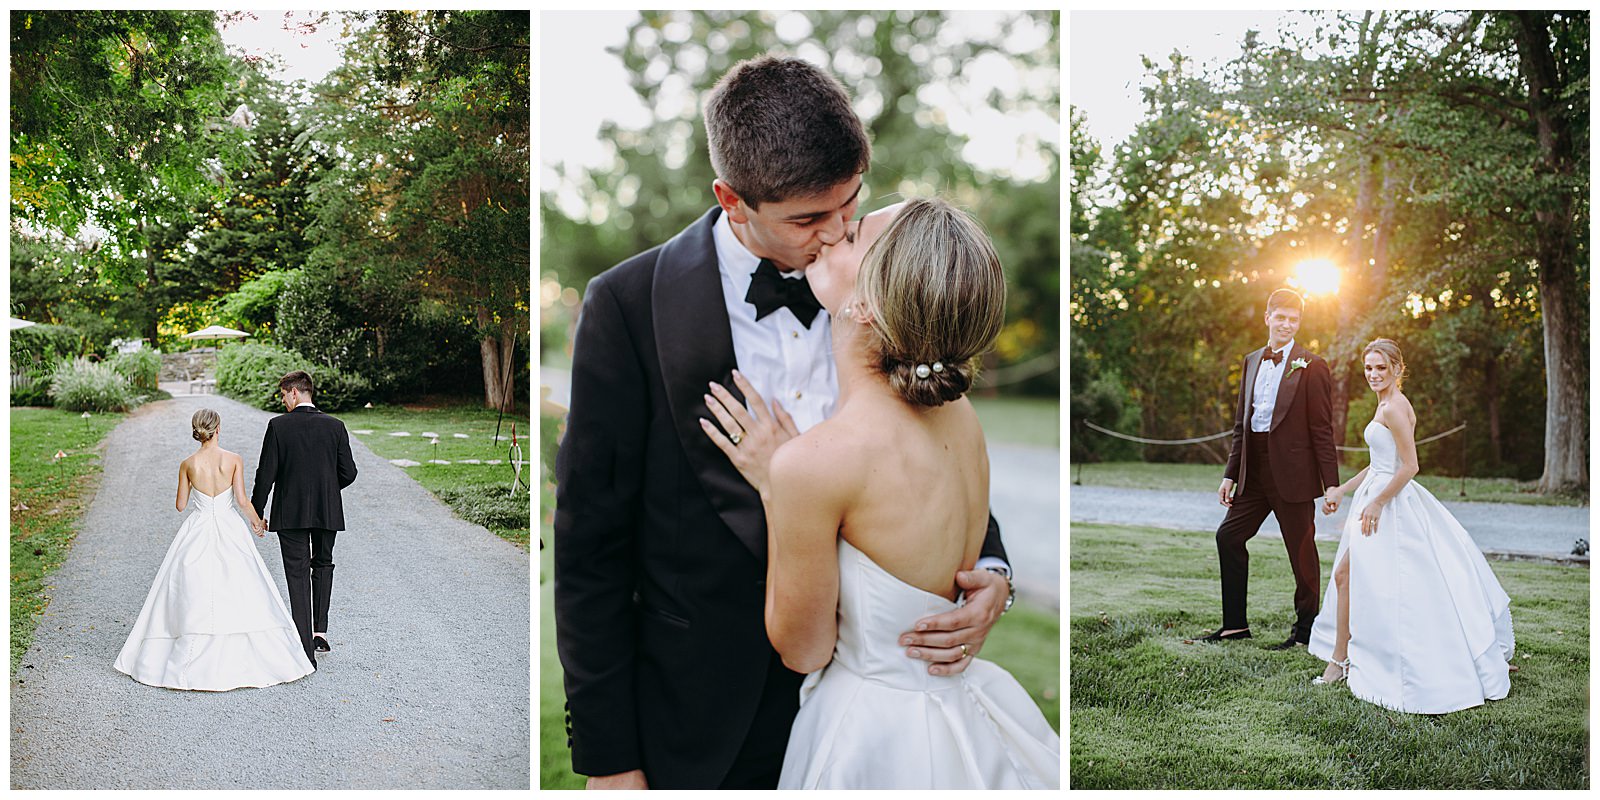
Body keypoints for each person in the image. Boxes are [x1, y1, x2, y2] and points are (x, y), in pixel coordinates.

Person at [554, 55, 1015, 790]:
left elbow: (933, 446)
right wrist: (610, 762)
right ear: (732, 200)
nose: (835, 236)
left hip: (873, 721)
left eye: (850, 206)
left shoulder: (882, 290)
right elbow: (588, 552)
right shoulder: (626, 305)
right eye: (807, 220)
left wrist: (990, 571)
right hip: (703, 718)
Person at [701, 198, 1059, 788]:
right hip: (958, 708)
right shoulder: (960, 416)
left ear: (866, 302)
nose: (833, 232)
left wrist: (773, 487)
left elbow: (803, 650)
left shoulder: (811, 465)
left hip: (870, 733)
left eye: (851, 235)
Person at [1309, 339, 1514, 713]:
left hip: (1392, 507)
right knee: (1345, 577)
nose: (1373, 375)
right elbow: (1378, 462)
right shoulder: (1384, 403)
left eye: (1381, 368)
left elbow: (1409, 466)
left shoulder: (1396, 408)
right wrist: (1342, 488)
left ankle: (1350, 662)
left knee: (1367, 581)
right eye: (1368, 368)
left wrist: (1377, 503)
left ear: (1397, 369)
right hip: (1376, 494)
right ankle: (1341, 659)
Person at [114, 409, 314, 690]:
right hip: (229, 526)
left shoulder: (187, 464)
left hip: (197, 528)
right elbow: (242, 500)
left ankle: (185, 648)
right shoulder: (233, 460)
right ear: (218, 428)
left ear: (197, 431)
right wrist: (257, 524)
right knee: (239, 585)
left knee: (192, 585)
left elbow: (181, 505)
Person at [1200, 288, 1339, 648]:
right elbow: (1241, 425)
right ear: (1268, 317)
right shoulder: (1250, 361)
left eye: (1294, 320)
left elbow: (1323, 429)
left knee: (1301, 553)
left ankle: (1305, 631)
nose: (1287, 325)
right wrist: (1230, 473)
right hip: (1253, 472)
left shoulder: (1312, 366)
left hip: (1293, 474)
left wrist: (1331, 484)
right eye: (1281, 318)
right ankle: (1234, 626)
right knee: (1228, 537)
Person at [250, 370, 359, 668]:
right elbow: (349, 472)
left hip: (290, 513)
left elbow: (266, 475)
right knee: (323, 565)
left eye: (284, 395)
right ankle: (318, 632)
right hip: (327, 510)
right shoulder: (335, 426)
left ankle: (303, 649)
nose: (283, 401)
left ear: (295, 393)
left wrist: (256, 511)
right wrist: (325, 488)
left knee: (297, 573)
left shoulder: (278, 427)